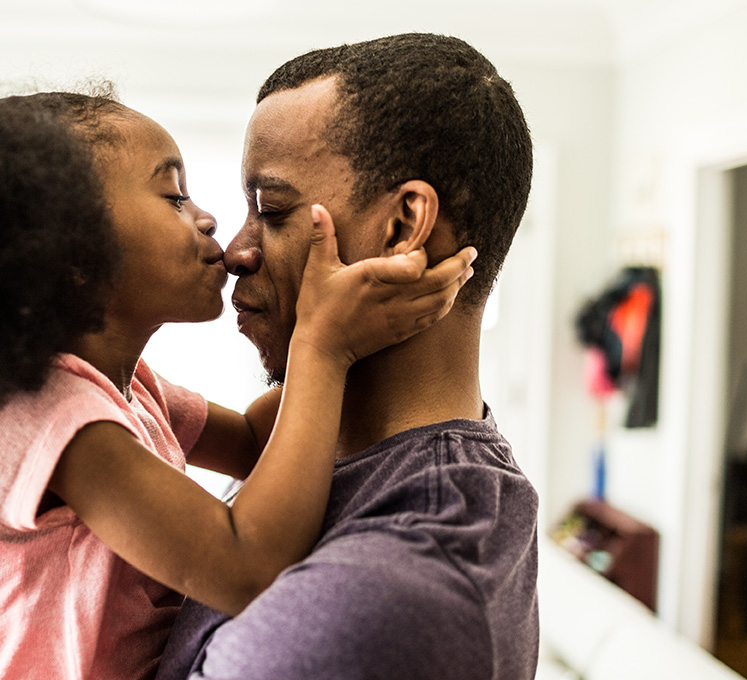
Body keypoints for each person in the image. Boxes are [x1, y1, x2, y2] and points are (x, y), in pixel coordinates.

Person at [0, 92, 474, 679]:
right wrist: (323, 347)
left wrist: (363, 336)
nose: (209, 219)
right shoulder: (57, 420)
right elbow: (246, 565)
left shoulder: (132, 390)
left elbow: (254, 440)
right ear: (72, 251)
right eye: (173, 197)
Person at [158, 33, 540, 680]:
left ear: (400, 227)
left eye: (272, 209)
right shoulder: (323, 434)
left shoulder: (374, 602)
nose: (236, 250)